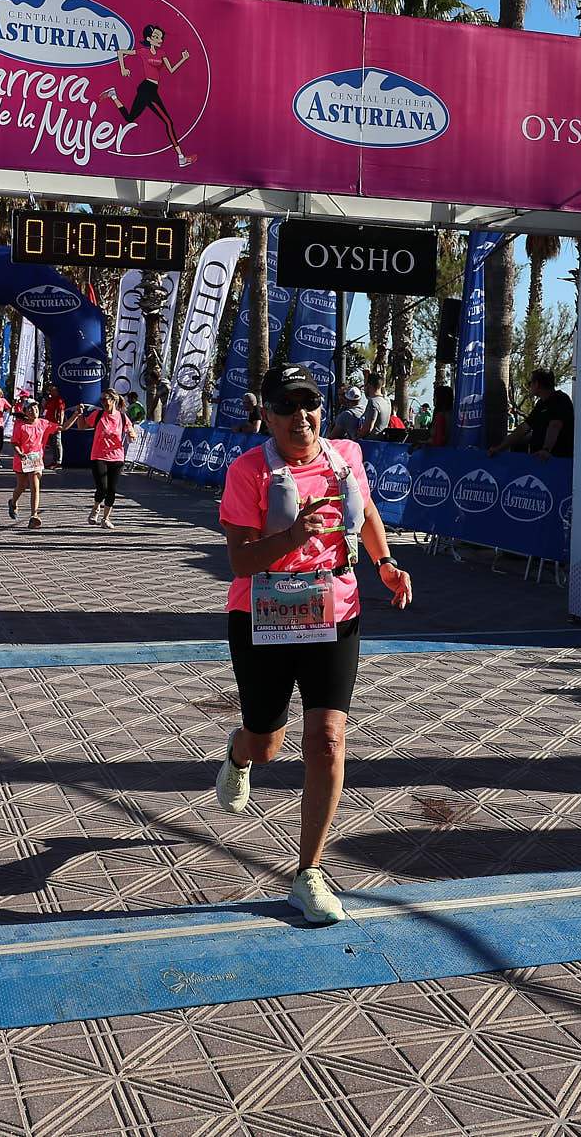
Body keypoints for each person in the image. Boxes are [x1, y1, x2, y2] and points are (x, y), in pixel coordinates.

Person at [214, 363, 415, 925]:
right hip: (263, 616)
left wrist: (385, 563)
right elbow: (240, 561)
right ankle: (239, 754)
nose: (300, 416)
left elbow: (366, 513)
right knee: (267, 744)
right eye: (286, 407)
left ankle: (309, 873)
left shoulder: (346, 456)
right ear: (267, 416)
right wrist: (291, 537)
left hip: (335, 609)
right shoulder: (248, 471)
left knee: (327, 739)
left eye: (310, 404)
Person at [101, 23, 196, 168]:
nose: (160, 40)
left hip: (151, 89)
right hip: (147, 89)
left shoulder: (162, 53)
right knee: (168, 122)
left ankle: (113, 95)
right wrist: (123, 68)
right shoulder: (143, 51)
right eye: (156, 37)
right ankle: (181, 157)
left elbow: (171, 70)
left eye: (161, 37)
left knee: (129, 118)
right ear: (149, 38)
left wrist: (183, 59)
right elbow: (120, 52)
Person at [490, 370, 574, 459]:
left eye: (530, 383)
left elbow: (555, 425)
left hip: (556, 460)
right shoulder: (541, 404)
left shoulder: (561, 399)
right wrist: (499, 448)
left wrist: (546, 450)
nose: (529, 387)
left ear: (536, 384)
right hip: (539, 459)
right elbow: (523, 428)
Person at [86, 388, 137, 528]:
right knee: (102, 487)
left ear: (113, 400)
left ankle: (106, 518)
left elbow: (131, 433)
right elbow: (83, 425)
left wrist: (131, 434)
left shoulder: (122, 417)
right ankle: (96, 508)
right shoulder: (98, 415)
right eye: (101, 399)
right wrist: (78, 415)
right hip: (99, 455)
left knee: (112, 489)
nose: (102, 402)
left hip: (117, 457)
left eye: (105, 399)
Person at [9, 397, 55, 528]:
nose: (33, 410)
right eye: (30, 408)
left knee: (35, 487)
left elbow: (62, 427)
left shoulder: (43, 423)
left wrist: (76, 415)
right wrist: (20, 453)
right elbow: (14, 443)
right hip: (22, 460)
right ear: (25, 412)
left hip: (35, 459)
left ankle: (34, 516)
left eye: (35, 407)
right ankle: (13, 502)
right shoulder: (20, 425)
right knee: (22, 486)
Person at [41, 385, 67, 469]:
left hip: (55, 424)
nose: (51, 392)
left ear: (56, 391)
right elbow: (45, 409)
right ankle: (54, 461)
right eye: (50, 390)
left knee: (57, 442)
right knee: (52, 443)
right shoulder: (50, 400)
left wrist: (60, 423)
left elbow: (61, 411)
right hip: (48, 424)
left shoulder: (59, 400)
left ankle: (58, 462)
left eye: (53, 390)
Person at [361, 372, 393, 439]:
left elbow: (368, 428)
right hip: (382, 439)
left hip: (371, 441)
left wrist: (356, 438)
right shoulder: (387, 401)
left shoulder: (373, 402)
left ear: (369, 385)